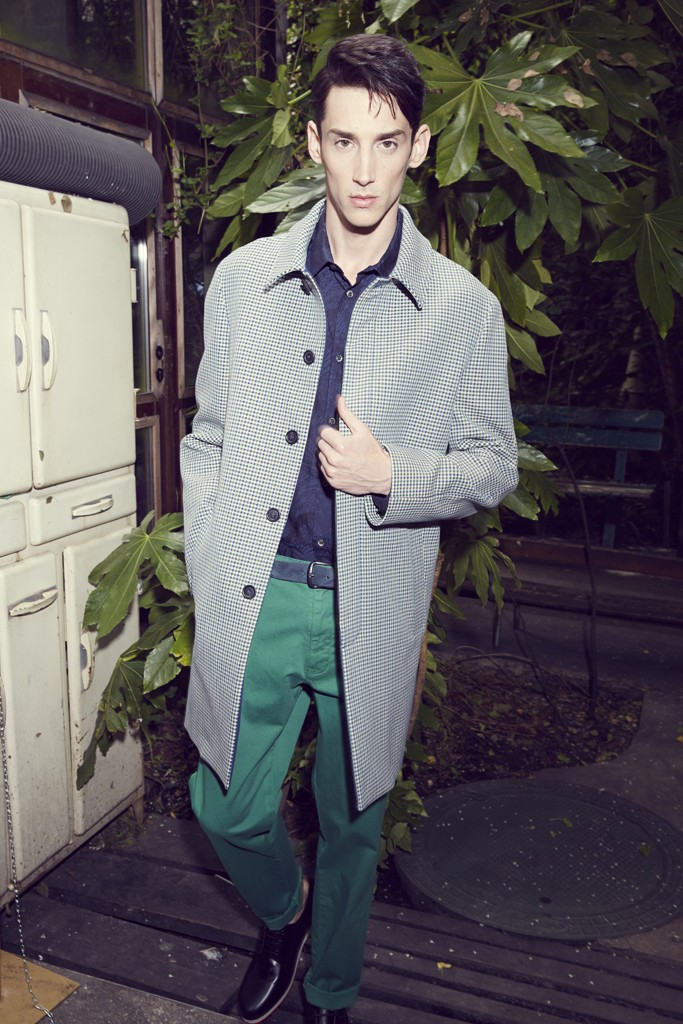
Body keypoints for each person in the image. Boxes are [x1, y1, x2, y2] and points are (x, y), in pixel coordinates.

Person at [180, 33, 518, 1024]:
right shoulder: (244, 281)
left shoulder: (462, 309)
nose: (363, 169)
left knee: (353, 822)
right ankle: (284, 917)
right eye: (342, 140)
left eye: (386, 141)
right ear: (312, 143)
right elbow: (208, 438)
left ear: (419, 146)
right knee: (222, 805)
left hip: (372, 606)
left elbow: (490, 465)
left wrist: (392, 475)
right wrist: (210, 557)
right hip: (258, 591)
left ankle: (329, 990)